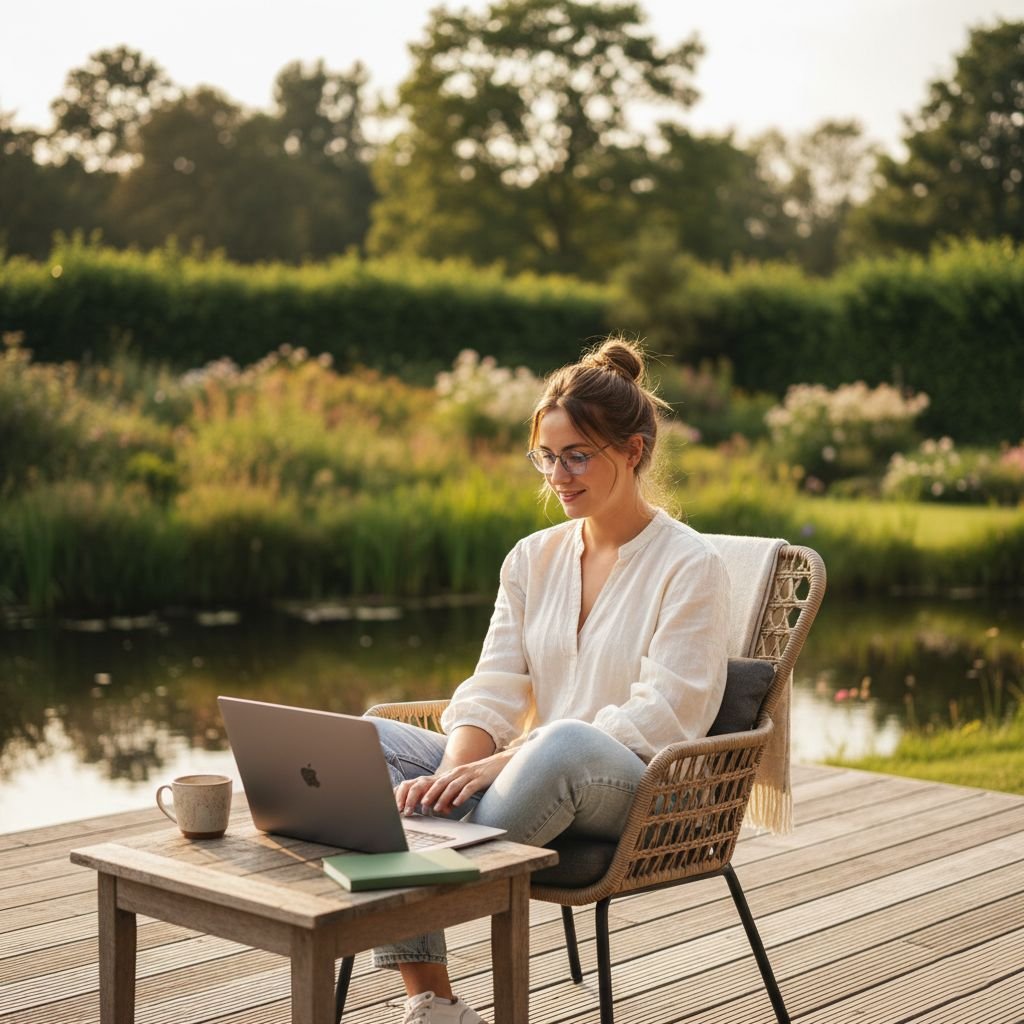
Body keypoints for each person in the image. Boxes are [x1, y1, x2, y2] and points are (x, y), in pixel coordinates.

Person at [371, 337, 731, 1024]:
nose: (557, 476)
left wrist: (509, 761)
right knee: (366, 745)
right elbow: (496, 685)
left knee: (560, 742)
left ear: (633, 450)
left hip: (640, 784)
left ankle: (408, 853)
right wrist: (454, 772)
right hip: (532, 774)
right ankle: (433, 1005)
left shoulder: (690, 565)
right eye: (546, 456)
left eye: (576, 456)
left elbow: (667, 717)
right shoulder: (531, 558)